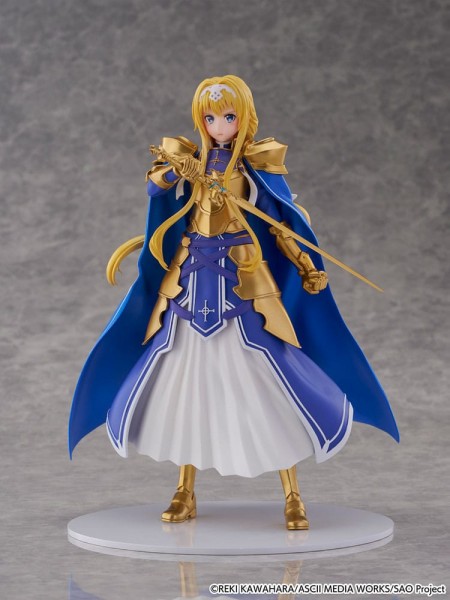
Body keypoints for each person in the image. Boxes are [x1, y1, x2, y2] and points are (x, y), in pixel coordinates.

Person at [69, 75, 399, 530]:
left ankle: (293, 495)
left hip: (243, 283)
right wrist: (178, 172)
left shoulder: (255, 167)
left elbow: (281, 226)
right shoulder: (190, 159)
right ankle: (184, 490)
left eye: (228, 117)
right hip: (190, 281)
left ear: (244, 119)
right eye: (210, 118)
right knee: (184, 384)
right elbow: (154, 186)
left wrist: (306, 265)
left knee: (270, 381)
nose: (219, 126)